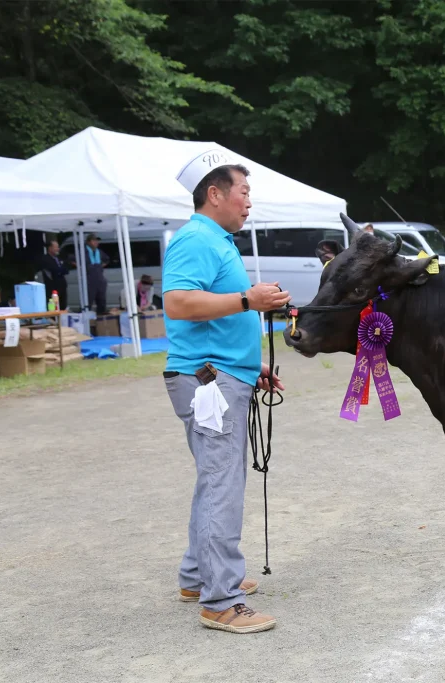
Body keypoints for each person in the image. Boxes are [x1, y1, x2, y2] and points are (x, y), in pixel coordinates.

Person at [163, 150, 291, 633]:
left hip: (218, 375)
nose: (248, 202)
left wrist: (250, 363)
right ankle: (221, 601)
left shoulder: (213, 239)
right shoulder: (197, 238)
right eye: (243, 192)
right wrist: (247, 299)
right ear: (214, 194)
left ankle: (198, 577)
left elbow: (210, 318)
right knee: (222, 485)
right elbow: (177, 304)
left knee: (214, 480)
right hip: (209, 382)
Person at [39, 239, 69, 310]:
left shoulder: (59, 258)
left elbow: (66, 269)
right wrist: (60, 270)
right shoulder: (45, 259)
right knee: (53, 307)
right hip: (53, 287)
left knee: (63, 305)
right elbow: (54, 270)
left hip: (62, 285)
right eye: (55, 247)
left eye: (58, 247)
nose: (57, 249)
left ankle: (62, 319)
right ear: (50, 248)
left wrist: (61, 270)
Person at [85, 234, 109, 314]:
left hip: (100, 279)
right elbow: (72, 259)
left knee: (102, 302)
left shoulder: (99, 251)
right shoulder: (83, 251)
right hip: (89, 280)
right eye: (93, 240)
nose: (96, 242)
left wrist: (99, 267)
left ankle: (101, 322)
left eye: (97, 240)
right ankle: (86, 321)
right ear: (88, 242)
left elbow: (107, 260)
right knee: (88, 302)